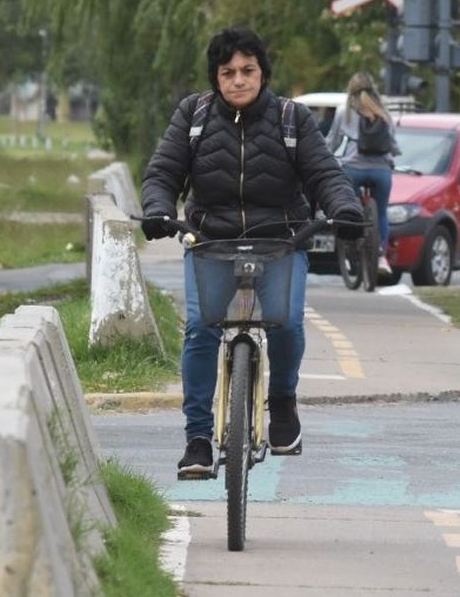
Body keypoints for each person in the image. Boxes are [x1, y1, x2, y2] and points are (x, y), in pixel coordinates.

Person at [140, 27, 364, 477]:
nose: (238, 80)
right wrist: (158, 209)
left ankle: (281, 403)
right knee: (202, 330)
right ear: (215, 78)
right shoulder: (194, 115)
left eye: (248, 70)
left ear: (263, 73)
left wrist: (344, 207)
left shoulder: (291, 119)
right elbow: (163, 171)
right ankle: (199, 439)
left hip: (281, 242)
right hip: (211, 243)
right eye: (227, 72)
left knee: (287, 323)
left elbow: (325, 173)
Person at [324, 72, 401, 277]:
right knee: (382, 212)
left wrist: (324, 158)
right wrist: (394, 154)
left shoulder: (344, 112)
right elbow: (393, 144)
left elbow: (332, 142)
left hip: (353, 170)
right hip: (381, 171)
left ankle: (351, 249)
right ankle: (381, 256)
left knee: (350, 208)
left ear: (351, 90)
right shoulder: (384, 112)